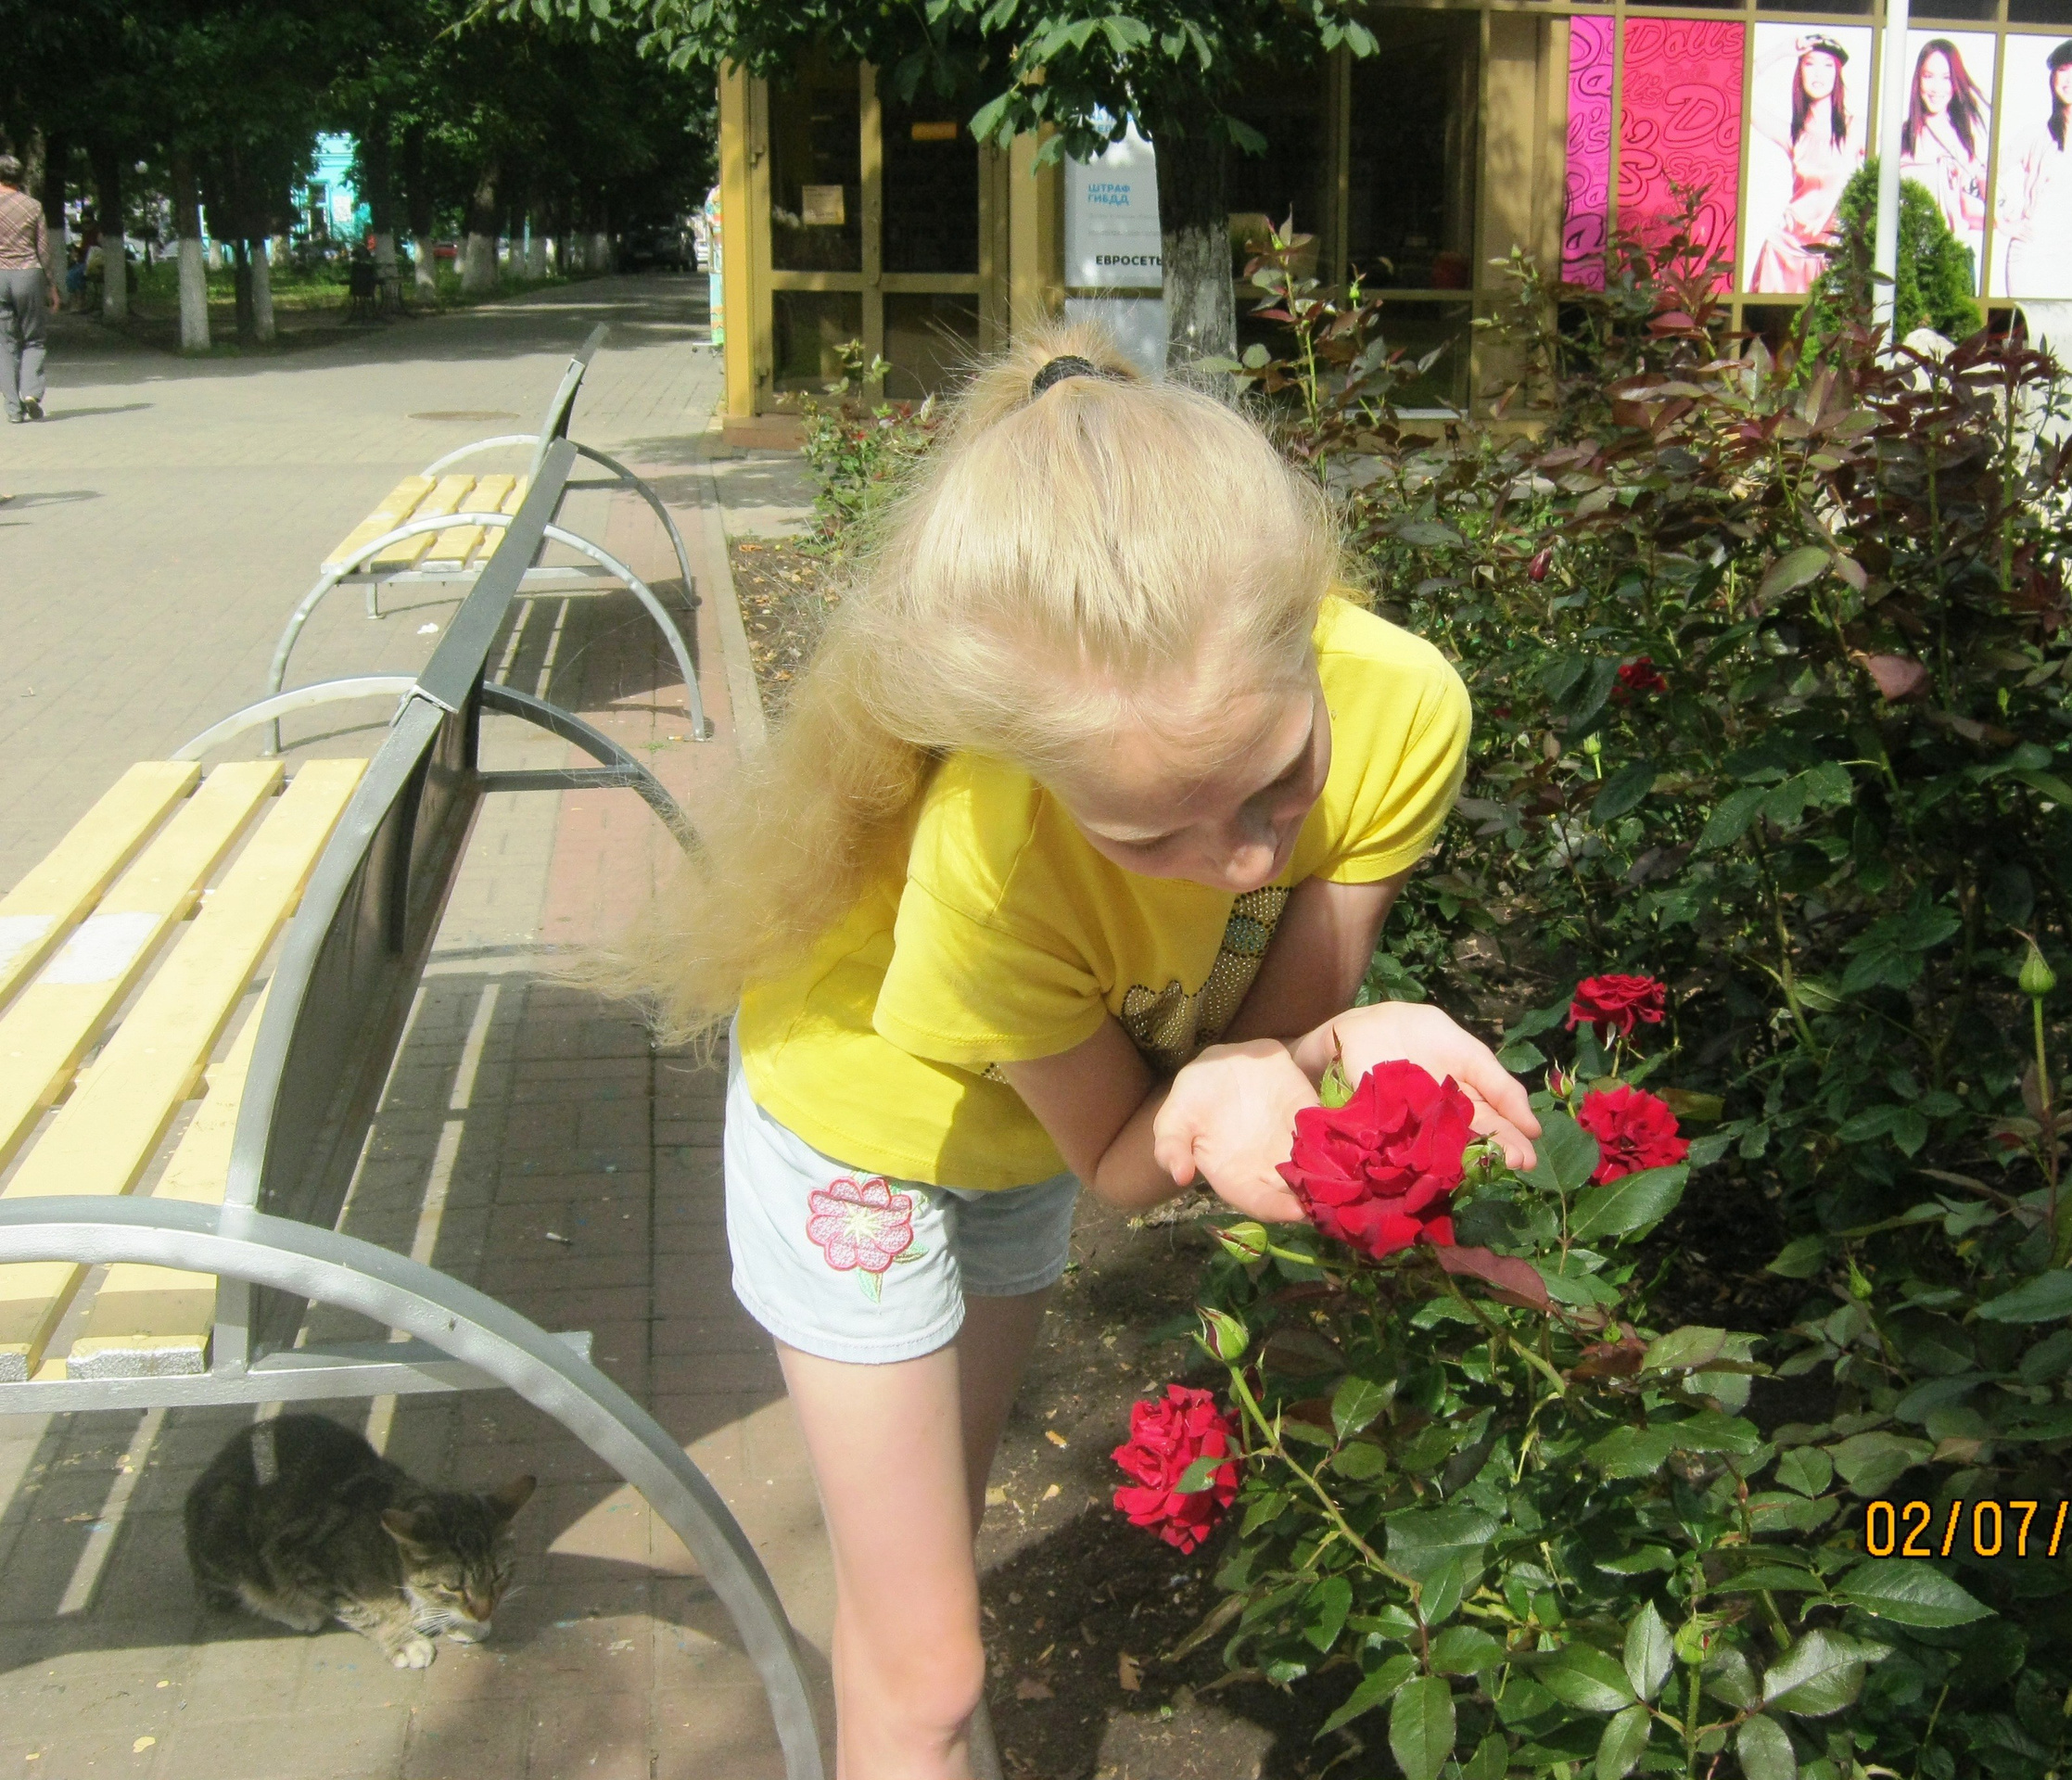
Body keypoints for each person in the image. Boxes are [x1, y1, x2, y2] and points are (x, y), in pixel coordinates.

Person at [603, 324, 1541, 1779]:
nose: (1238, 864)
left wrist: (1361, 1037)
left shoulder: (1404, 705)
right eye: (1148, 832)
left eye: (1278, 782)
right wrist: (1290, 1065)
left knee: (918, 1581)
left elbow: (1258, 1047)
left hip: (1039, 1121)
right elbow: (1127, 1156)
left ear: (1313, 642)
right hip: (863, 1135)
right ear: (1034, 773)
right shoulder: (989, 854)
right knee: (930, 1673)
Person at [1750, 35, 1861, 296]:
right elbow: (1736, 92)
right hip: (1784, 251)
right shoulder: (1794, 136)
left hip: (1831, 253)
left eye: (1827, 65)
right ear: (1799, 71)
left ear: (1838, 73)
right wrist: (1781, 50)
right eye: (1810, 64)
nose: (1818, 74)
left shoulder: (1857, 129)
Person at [1999, 40, 2072, 299]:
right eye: (2062, 70)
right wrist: (2002, 220)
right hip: (2031, 255)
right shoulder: (2036, 135)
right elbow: (1987, 174)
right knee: (2026, 335)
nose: (2070, 79)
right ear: (2053, 78)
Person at [1900, 39, 1990, 265]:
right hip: (1910, 261)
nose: (1936, 88)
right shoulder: (1898, 138)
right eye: (1928, 76)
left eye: (1946, 78)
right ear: (1917, 80)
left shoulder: (1968, 138)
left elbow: (1974, 207)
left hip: (1955, 256)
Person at [0, 153, 58, 423]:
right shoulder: (33, 206)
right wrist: (52, 286)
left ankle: (13, 408)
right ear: (20, 177)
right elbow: (43, 249)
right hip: (28, 275)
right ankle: (31, 394)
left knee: (5, 343)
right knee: (33, 339)